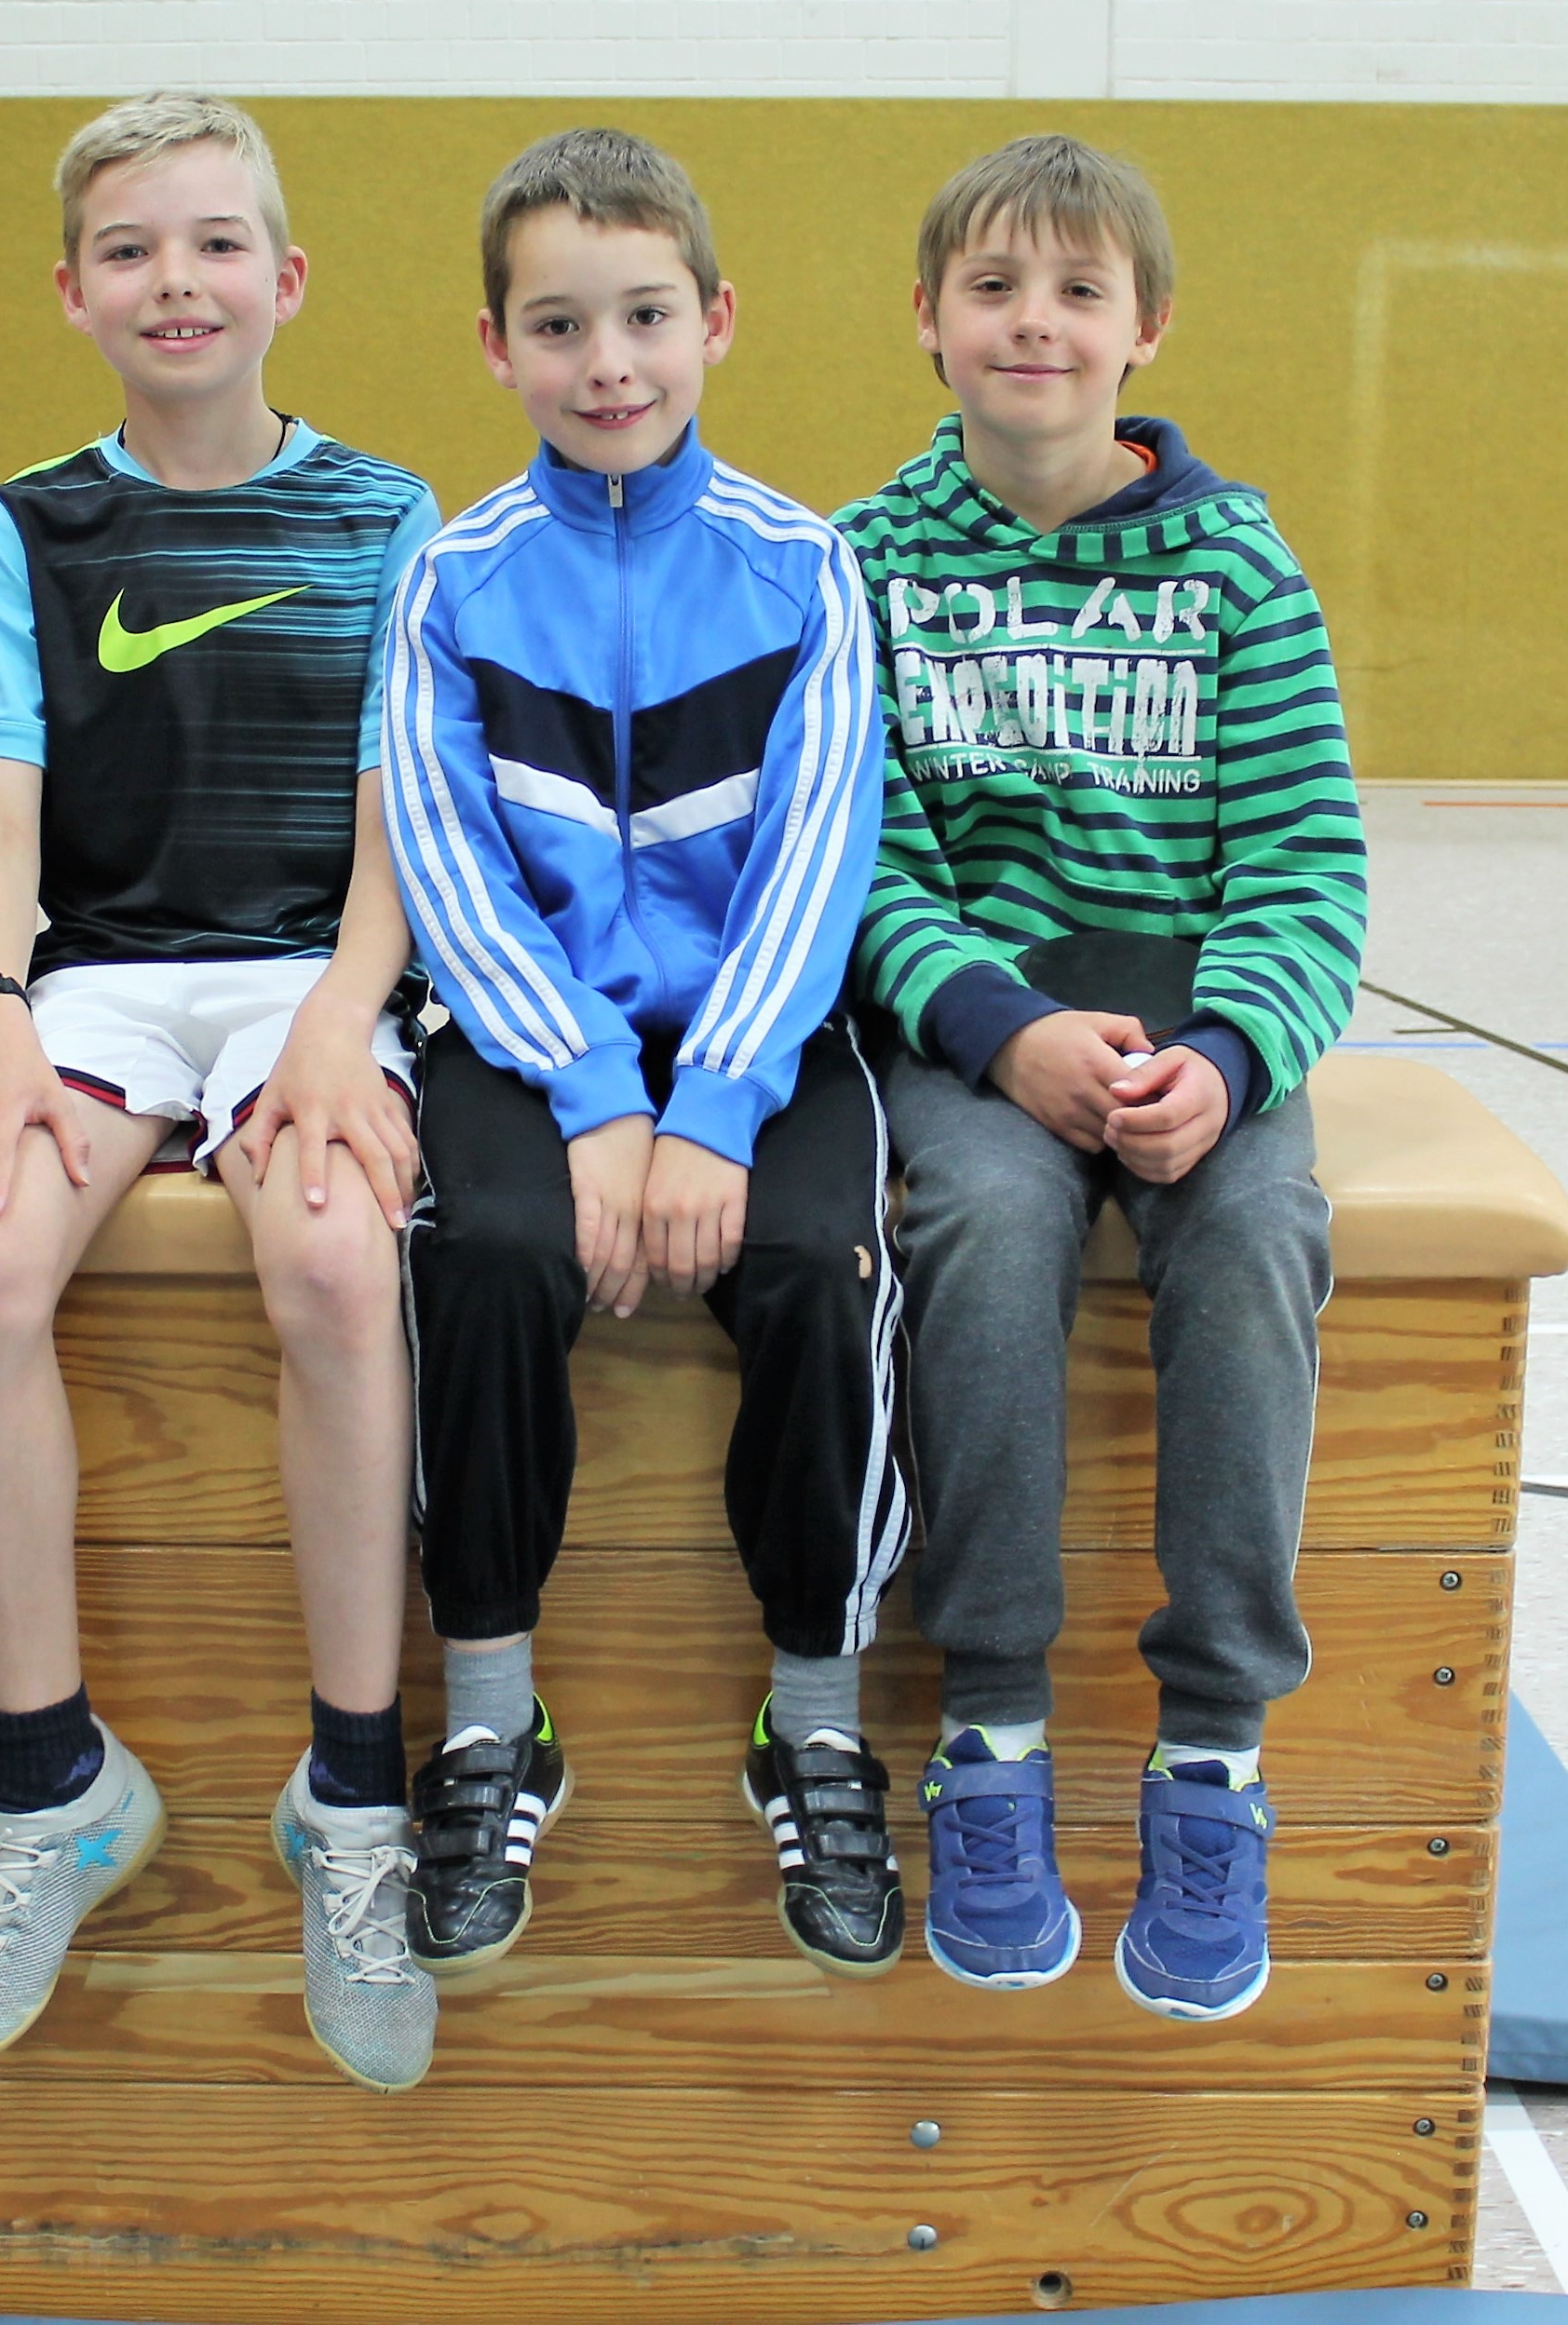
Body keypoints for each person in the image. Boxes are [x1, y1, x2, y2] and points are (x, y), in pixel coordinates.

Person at [0, 92, 442, 2094]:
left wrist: (346, 1016)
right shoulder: (30, 525)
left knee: (335, 1258)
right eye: (129, 250)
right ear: (72, 292)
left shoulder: (386, 515)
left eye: (215, 244)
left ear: (285, 279)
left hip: (313, 972)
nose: (176, 282)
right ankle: (52, 1781)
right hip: (106, 978)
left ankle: (353, 1799)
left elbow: (401, 807)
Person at [836, 132, 1367, 2021]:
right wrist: (1003, 1030)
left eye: (1077, 291)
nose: (1033, 324)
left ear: (1146, 327)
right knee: (979, 1228)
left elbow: (1306, 872)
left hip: (1198, 1034)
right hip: (979, 1036)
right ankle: (989, 1725)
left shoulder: (1236, 566)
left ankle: (1212, 1745)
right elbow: (859, 864)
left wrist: (1225, 1056)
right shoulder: (864, 563)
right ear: (927, 318)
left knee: (1256, 1242)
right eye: (991, 288)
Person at [382, 128, 912, 1987]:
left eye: (643, 317)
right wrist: (595, 1094)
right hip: (528, 1036)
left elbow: (819, 855)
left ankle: (813, 1722)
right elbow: (445, 862)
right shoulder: (451, 577)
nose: (605, 363)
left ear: (715, 322)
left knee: (819, 1266)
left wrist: (713, 1105)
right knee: (486, 1256)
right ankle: (489, 1722)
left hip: (763, 1033)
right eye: (557, 325)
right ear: (496, 346)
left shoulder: (803, 566)